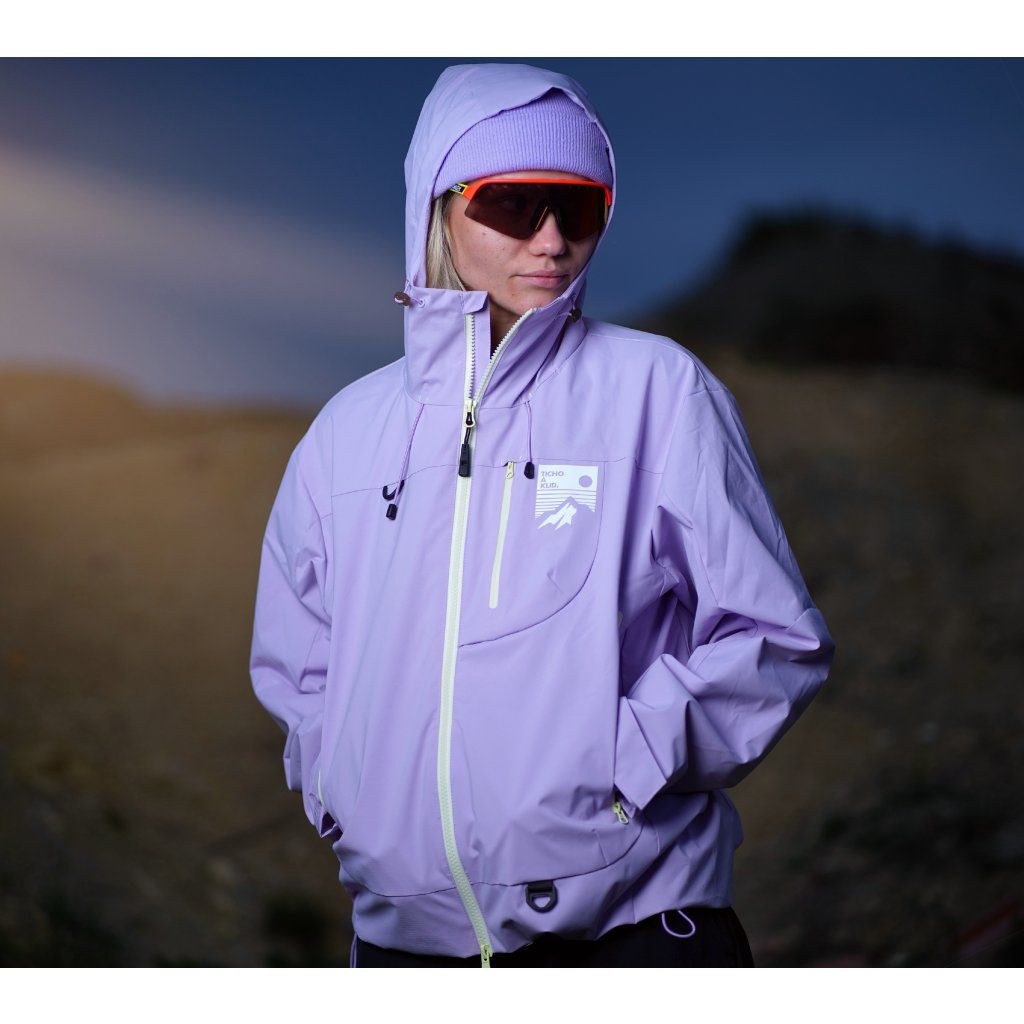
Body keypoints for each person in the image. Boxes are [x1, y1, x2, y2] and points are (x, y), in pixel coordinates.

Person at [249, 62, 836, 969]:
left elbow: (775, 636)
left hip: (635, 940)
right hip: (407, 955)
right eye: (515, 204)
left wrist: (623, 763)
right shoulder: (345, 435)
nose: (553, 240)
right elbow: (299, 665)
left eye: (580, 208)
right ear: (438, 206)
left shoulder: (656, 392)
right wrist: (340, 789)